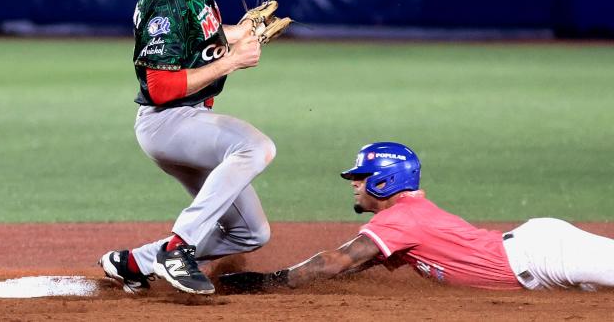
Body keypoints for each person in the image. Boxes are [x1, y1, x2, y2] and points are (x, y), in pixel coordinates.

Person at [99, 0, 276, 295]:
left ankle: (134, 263)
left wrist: (238, 33)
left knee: (251, 233)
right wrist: (230, 62)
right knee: (256, 147)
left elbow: (197, 34)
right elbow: (159, 87)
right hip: (167, 121)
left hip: (189, 119)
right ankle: (178, 249)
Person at [219, 142, 614, 292]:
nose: (354, 185)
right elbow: (351, 266)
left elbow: (336, 262)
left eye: (361, 178)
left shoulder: (399, 220)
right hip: (534, 261)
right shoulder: (403, 221)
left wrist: (264, 282)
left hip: (543, 255)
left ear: (386, 181)